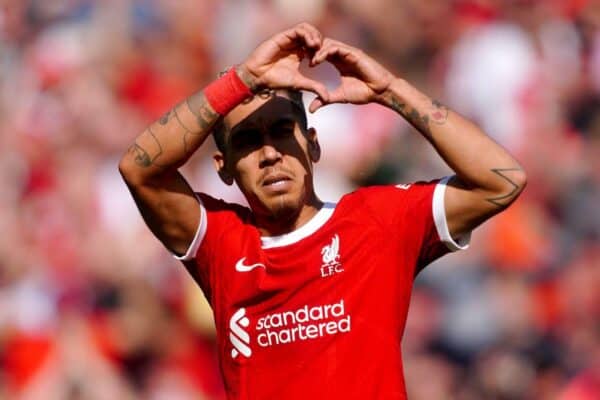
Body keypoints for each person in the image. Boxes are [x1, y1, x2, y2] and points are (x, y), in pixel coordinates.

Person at [119, 23, 527, 400]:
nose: (269, 154)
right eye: (247, 141)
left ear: (313, 145)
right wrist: (240, 80)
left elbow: (502, 179)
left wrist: (391, 91)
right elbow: (139, 169)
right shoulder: (220, 241)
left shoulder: (379, 220)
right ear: (223, 167)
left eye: (282, 132)